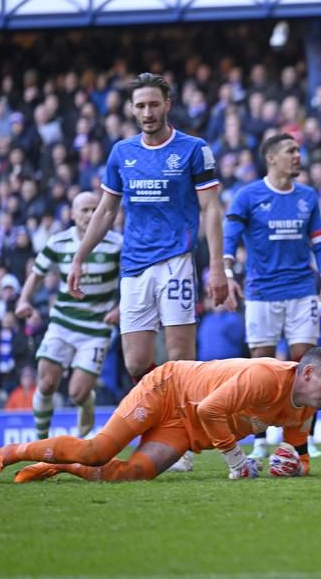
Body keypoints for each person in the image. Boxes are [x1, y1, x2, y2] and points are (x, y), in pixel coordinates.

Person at [69, 73, 228, 470]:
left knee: (180, 360)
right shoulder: (122, 152)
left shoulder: (194, 149)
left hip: (176, 261)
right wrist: (79, 256)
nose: (147, 112)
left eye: (153, 104)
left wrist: (217, 267)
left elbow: (211, 209)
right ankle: (166, 428)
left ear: (167, 104)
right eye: (140, 106)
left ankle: (182, 444)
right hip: (134, 266)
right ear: (131, 109)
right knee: (138, 363)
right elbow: (106, 211)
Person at [0, 348, 321, 485]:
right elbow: (210, 408)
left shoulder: (303, 407)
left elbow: (300, 456)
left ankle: (60, 467)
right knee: (98, 449)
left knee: (128, 475)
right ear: (308, 373)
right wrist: (236, 461)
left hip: (187, 425)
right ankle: (9, 454)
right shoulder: (266, 378)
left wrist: (295, 469)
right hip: (168, 389)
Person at [223, 133, 321, 459]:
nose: (298, 156)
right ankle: (259, 442)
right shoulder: (248, 196)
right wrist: (227, 272)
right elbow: (229, 237)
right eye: (291, 151)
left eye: (298, 150)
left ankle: (302, 440)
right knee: (261, 368)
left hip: (302, 290)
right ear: (271, 158)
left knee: (307, 365)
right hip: (261, 292)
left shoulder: (307, 196)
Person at [14, 192, 121, 440]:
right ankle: (41, 443)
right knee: (47, 383)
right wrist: (23, 299)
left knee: (77, 393)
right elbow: (37, 274)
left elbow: (131, 279)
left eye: (95, 209)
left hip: (96, 327)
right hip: (62, 323)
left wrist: (120, 308)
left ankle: (87, 402)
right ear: (72, 214)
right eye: (84, 210)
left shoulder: (117, 244)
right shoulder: (59, 242)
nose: (90, 214)